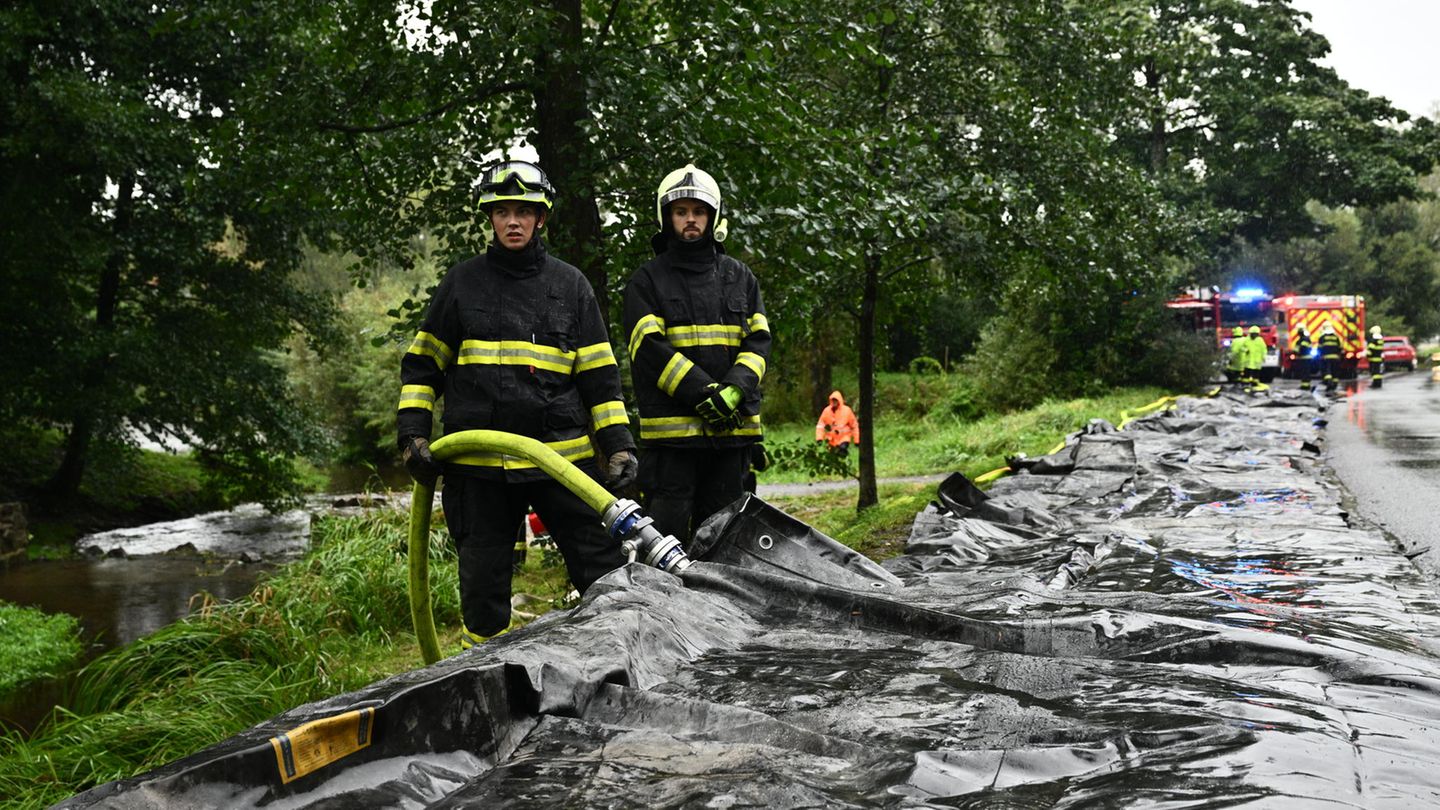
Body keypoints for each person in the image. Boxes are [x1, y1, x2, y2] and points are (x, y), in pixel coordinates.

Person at [396, 160, 637, 649]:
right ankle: (484, 686)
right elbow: (422, 367)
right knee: (483, 598)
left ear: (541, 218)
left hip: (561, 463)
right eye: (502, 211)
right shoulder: (461, 285)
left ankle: (618, 668)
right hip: (479, 470)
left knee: (604, 575)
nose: (512, 221)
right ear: (489, 218)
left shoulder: (571, 287)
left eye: (523, 212)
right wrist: (413, 436)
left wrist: (618, 446)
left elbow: (600, 381)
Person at [623, 164, 770, 546]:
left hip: (731, 441)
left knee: (727, 543)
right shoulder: (647, 280)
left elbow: (759, 341)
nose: (691, 220)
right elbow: (649, 349)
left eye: (699, 211)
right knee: (664, 545)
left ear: (713, 216)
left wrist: (735, 391)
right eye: (681, 211)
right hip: (672, 448)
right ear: (666, 217)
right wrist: (705, 393)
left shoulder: (740, 277)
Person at [815, 390, 860, 454]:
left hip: (844, 439)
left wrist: (857, 440)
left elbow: (854, 426)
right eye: (832, 400)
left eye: (835, 400)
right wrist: (819, 438)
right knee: (832, 457)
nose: (834, 402)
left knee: (842, 452)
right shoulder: (826, 411)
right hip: (831, 440)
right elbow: (820, 426)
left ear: (839, 401)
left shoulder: (847, 410)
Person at [1242, 325, 1269, 392]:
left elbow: (1264, 349)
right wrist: (1245, 350)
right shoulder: (1246, 340)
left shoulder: (1260, 340)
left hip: (1256, 362)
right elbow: (1242, 348)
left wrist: (1264, 357)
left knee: (1256, 376)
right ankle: (1245, 386)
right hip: (1248, 361)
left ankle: (1255, 386)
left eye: (1256, 334)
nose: (1254, 335)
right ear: (1250, 333)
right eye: (1253, 334)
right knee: (1246, 375)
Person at [1318, 324, 1342, 392]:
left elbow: (1320, 348)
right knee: (1335, 372)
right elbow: (1339, 348)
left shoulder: (1322, 337)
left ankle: (1329, 383)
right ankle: (1334, 385)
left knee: (1327, 371)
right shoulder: (1336, 337)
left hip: (1326, 358)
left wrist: (1320, 355)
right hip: (1335, 358)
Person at [1291, 324, 1314, 391]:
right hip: (1305, 358)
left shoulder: (1303, 340)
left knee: (1305, 372)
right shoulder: (1303, 339)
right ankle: (1305, 385)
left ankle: (1305, 386)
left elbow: (1302, 348)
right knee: (1305, 372)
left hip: (1305, 358)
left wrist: (1295, 352)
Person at [1367, 325, 1386, 389]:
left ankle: (1375, 384)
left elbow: (1371, 349)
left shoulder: (1373, 340)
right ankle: (1378, 383)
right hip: (1379, 359)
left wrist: (1368, 355)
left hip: (1374, 359)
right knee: (1378, 373)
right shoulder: (1380, 339)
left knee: (1375, 373)